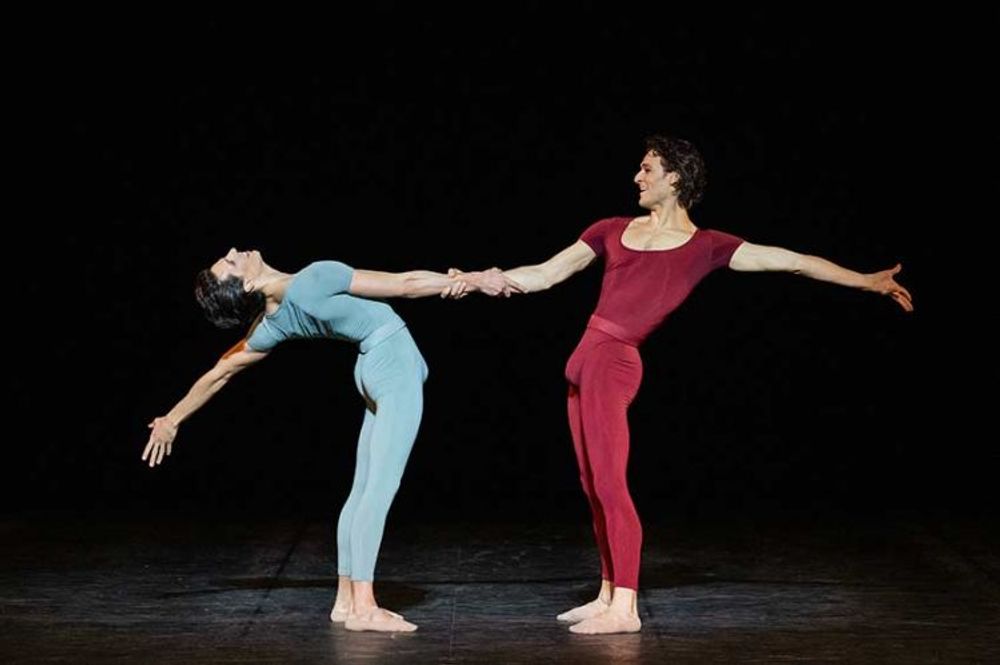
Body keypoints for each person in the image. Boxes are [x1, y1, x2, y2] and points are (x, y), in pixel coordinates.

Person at [453, 135, 913, 634]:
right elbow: (544, 274)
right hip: (582, 361)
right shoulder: (610, 229)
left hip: (614, 362)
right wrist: (484, 278)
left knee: (611, 482)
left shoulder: (706, 247)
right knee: (591, 487)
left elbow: (794, 260)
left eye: (647, 168)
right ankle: (607, 589)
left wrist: (866, 281)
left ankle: (625, 608)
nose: (637, 176)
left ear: (675, 177)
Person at [142, 249, 510, 632]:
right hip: (391, 364)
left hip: (370, 367)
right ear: (248, 284)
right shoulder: (313, 279)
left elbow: (220, 372)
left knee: (362, 489)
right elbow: (404, 284)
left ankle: (345, 600)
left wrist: (172, 419)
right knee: (379, 489)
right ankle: (365, 607)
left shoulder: (273, 322)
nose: (234, 252)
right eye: (232, 264)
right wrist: (474, 279)